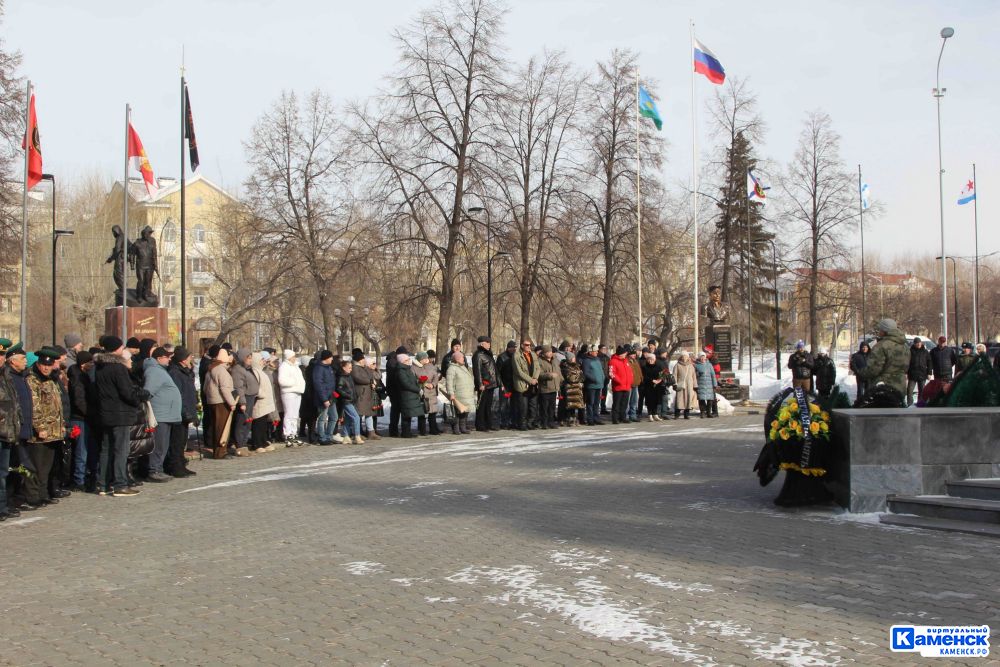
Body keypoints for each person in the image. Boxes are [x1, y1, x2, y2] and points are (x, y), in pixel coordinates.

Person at [95, 336, 147, 496]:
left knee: (106, 449)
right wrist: (138, 398)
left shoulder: (100, 367)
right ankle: (120, 484)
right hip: (120, 413)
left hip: (106, 412)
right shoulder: (118, 368)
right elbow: (126, 392)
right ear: (116, 349)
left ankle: (102, 484)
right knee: (121, 449)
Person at [142, 347, 181, 481]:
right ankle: (154, 470)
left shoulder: (159, 370)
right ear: (159, 358)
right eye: (167, 357)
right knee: (159, 444)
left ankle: (158, 468)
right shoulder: (154, 371)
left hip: (166, 413)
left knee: (163, 444)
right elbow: (148, 391)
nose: (170, 359)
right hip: (161, 414)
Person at [0, 348, 28, 519]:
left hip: (7, 431)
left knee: (3, 472)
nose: (1, 358)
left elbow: (15, 403)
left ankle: (2, 506)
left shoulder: (6, 375)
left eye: (2, 355)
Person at [166, 346, 198, 475]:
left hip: (187, 409)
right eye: (188, 356)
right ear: (182, 359)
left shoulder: (184, 371)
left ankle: (181, 463)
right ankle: (175, 466)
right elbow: (179, 394)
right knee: (177, 441)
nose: (191, 358)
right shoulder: (175, 372)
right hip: (179, 411)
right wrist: (186, 412)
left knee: (182, 440)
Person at [67, 350, 97, 490]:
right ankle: (79, 480)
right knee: (81, 451)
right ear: (83, 364)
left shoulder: (83, 376)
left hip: (84, 417)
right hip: (79, 418)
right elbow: (79, 401)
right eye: (90, 362)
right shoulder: (77, 378)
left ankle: (83, 477)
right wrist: (89, 413)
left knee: (86, 449)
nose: (92, 364)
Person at [857, 318, 909, 396]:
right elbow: (906, 367)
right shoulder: (905, 346)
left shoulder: (881, 346)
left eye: (880, 329)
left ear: (885, 331)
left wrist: (860, 372)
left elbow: (873, 369)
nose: (879, 332)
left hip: (883, 387)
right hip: (900, 386)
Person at [204, 348, 238, 459]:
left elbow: (205, 388)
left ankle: (217, 450)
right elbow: (225, 389)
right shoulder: (221, 371)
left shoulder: (211, 369)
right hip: (221, 402)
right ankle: (221, 452)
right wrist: (232, 403)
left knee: (216, 426)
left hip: (212, 401)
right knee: (222, 428)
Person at [230, 349, 259, 455]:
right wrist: (242, 402)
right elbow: (239, 387)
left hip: (251, 397)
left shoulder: (247, 369)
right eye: (249, 358)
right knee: (242, 422)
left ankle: (244, 443)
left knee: (248, 422)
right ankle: (239, 445)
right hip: (245, 398)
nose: (251, 360)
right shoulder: (238, 370)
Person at [248, 352, 279, 453]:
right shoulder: (255, 372)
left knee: (263, 424)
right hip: (260, 402)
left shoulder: (261, 371)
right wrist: (261, 394)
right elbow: (255, 386)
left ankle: (263, 441)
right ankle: (257, 443)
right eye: (261, 360)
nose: (263, 362)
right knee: (258, 423)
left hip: (266, 403)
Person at [350, 351, 381, 440]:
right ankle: (357, 432)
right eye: (363, 358)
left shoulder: (364, 367)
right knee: (359, 414)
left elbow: (371, 375)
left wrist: (372, 381)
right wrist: (370, 381)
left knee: (369, 414)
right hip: (361, 394)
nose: (364, 360)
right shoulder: (355, 368)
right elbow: (358, 378)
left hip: (368, 394)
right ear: (359, 360)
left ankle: (371, 432)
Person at [278, 349, 306, 446]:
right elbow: (282, 380)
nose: (294, 358)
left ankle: (294, 433)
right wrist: (294, 382)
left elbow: (301, 378)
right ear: (289, 357)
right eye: (293, 356)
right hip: (288, 392)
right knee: (289, 413)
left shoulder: (296, 366)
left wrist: (301, 385)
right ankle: (287, 434)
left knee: (295, 414)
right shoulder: (284, 366)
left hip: (297, 392)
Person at [445, 350, 476, 435]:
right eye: (462, 357)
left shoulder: (463, 367)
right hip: (458, 394)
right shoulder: (451, 368)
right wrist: (451, 393)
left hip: (466, 393)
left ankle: (463, 427)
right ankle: (456, 428)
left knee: (465, 411)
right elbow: (449, 382)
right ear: (457, 359)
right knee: (457, 412)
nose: (464, 359)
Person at [512, 339, 540, 430]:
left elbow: (537, 367)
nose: (528, 346)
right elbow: (518, 371)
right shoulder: (516, 356)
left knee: (533, 405)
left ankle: (530, 423)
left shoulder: (533, 354)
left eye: (530, 345)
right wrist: (530, 380)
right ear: (522, 345)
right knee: (523, 406)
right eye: (526, 345)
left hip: (533, 384)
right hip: (522, 384)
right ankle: (522, 424)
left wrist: (535, 378)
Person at [472, 336, 498, 432]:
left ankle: (488, 424)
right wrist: (480, 384)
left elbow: (493, 369)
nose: (489, 344)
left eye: (489, 342)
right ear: (482, 344)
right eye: (487, 342)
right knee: (482, 405)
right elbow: (477, 371)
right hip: (484, 384)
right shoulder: (478, 355)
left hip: (490, 383)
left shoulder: (487, 354)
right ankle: (480, 425)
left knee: (488, 405)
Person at [394, 353, 423, 438]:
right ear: (403, 361)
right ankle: (405, 432)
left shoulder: (407, 369)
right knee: (406, 414)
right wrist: (417, 389)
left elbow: (412, 381)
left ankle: (407, 431)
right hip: (406, 395)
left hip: (410, 395)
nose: (409, 361)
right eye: (407, 360)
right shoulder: (400, 371)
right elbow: (406, 384)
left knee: (408, 414)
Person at [412, 351, 441, 436]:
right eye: (424, 358)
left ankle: (433, 429)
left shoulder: (431, 366)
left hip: (432, 391)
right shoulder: (414, 368)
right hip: (422, 392)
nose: (426, 360)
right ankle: (422, 430)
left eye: (426, 358)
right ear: (420, 359)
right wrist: (423, 383)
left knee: (432, 411)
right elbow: (413, 379)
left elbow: (436, 376)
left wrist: (433, 384)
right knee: (422, 411)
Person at [336, 359, 363, 444]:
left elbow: (352, 388)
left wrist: (355, 395)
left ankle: (346, 436)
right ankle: (357, 436)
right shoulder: (341, 377)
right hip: (346, 401)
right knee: (356, 417)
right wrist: (347, 395)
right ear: (344, 368)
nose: (351, 369)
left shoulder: (349, 376)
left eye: (351, 368)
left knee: (348, 419)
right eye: (349, 368)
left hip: (351, 400)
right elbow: (339, 389)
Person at [536, 346, 560, 429]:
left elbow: (558, 371)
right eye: (548, 352)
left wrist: (561, 380)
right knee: (544, 407)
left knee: (552, 407)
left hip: (554, 387)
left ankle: (551, 422)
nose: (550, 353)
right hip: (545, 388)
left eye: (551, 351)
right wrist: (549, 375)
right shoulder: (540, 361)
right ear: (544, 353)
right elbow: (539, 374)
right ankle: (544, 423)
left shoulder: (555, 360)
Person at [580, 345, 605, 426]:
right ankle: (590, 419)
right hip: (591, 385)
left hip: (598, 385)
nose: (597, 352)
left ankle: (596, 418)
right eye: (595, 351)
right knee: (590, 402)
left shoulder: (597, 359)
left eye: (597, 351)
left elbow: (601, 370)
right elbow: (586, 373)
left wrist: (602, 377)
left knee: (596, 403)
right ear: (590, 352)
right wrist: (594, 379)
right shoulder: (586, 361)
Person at [385, 346, 407, 437]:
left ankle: (394, 430)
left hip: (394, 389)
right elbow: (396, 374)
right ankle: (393, 431)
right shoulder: (392, 362)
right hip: (395, 389)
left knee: (396, 410)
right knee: (396, 410)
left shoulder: (393, 361)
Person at [559, 353, 585, 426]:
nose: (575, 358)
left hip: (577, 388)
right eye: (573, 357)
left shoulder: (577, 366)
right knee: (569, 405)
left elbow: (583, 376)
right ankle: (568, 419)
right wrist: (578, 377)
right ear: (570, 358)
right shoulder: (565, 367)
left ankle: (574, 419)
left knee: (575, 405)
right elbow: (571, 378)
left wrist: (579, 378)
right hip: (569, 389)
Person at [608, 345, 632, 424]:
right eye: (625, 353)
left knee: (624, 404)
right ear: (621, 354)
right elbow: (611, 374)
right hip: (618, 386)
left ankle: (623, 417)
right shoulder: (613, 361)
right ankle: (615, 418)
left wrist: (630, 380)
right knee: (617, 403)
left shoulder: (626, 361)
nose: (626, 355)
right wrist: (619, 381)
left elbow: (629, 372)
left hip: (626, 386)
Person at [496, 341, 517, 428]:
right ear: (508, 348)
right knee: (504, 404)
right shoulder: (502, 357)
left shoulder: (516, 356)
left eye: (515, 347)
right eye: (511, 347)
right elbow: (497, 372)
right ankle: (504, 422)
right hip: (505, 385)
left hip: (514, 385)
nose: (513, 349)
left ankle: (512, 421)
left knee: (513, 404)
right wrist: (501, 384)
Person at [906, 338, 932, 406]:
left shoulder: (925, 351)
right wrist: (906, 372)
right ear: (914, 344)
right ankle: (910, 404)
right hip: (912, 374)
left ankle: (920, 404)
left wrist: (929, 373)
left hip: (922, 374)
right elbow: (907, 363)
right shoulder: (910, 351)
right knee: (909, 391)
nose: (918, 344)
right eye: (917, 343)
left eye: (919, 342)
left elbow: (929, 362)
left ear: (921, 343)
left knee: (922, 391)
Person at [641, 352, 665, 421]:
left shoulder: (658, 367)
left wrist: (660, 380)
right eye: (648, 359)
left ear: (654, 359)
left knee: (656, 401)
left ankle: (655, 414)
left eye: (651, 359)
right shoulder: (644, 367)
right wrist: (652, 380)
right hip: (648, 386)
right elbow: (644, 377)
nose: (650, 360)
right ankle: (650, 415)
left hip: (657, 386)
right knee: (649, 401)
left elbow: (662, 374)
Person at [672, 352, 697, 420]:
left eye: (685, 356)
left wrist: (695, 385)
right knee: (679, 400)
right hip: (681, 385)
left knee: (688, 400)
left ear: (688, 357)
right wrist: (674, 384)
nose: (684, 358)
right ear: (681, 357)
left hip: (689, 385)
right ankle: (677, 414)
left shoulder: (691, 366)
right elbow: (674, 375)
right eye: (683, 356)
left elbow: (694, 376)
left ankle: (686, 414)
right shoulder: (677, 365)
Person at [694, 352, 718, 418]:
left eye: (703, 357)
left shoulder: (709, 365)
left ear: (705, 357)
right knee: (701, 400)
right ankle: (702, 412)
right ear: (699, 358)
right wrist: (698, 374)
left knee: (710, 400)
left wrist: (715, 384)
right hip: (700, 385)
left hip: (709, 385)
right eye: (701, 357)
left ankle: (708, 412)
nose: (702, 358)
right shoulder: (696, 365)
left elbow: (713, 375)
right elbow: (694, 375)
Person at [850, 341, 871, 405]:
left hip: (869, 376)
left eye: (866, 347)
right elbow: (852, 365)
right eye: (863, 347)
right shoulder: (856, 356)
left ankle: (869, 404)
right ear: (861, 348)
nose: (864, 349)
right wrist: (858, 372)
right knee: (860, 392)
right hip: (860, 376)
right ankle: (860, 404)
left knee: (869, 392)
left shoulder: (871, 355)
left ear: (868, 348)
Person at [626, 347, 643, 422]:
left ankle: (633, 415)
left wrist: (641, 378)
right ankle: (625, 415)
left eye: (634, 354)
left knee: (634, 401)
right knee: (627, 401)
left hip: (635, 383)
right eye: (632, 354)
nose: (634, 356)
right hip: (629, 384)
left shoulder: (635, 361)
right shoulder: (626, 361)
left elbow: (639, 371)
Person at [597, 344, 611, 415]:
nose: (604, 350)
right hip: (599, 379)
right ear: (599, 349)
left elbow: (609, 368)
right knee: (598, 394)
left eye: (605, 349)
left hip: (606, 379)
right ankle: (596, 408)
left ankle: (603, 408)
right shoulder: (597, 357)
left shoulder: (607, 358)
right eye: (603, 349)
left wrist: (609, 376)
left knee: (604, 394)